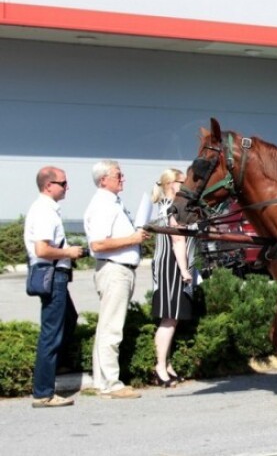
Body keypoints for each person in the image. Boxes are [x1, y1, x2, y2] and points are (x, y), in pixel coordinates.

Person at [84, 160, 150, 399]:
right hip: (114, 270)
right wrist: (133, 239)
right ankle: (111, 382)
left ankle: (102, 381)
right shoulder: (103, 205)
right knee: (112, 328)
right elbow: (98, 243)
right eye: (118, 175)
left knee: (107, 326)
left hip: (119, 269)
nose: (122, 178)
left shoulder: (112, 203)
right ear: (103, 180)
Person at [24, 167, 86, 408]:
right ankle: (43, 392)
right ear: (48, 185)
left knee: (69, 319)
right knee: (51, 332)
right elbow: (42, 250)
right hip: (52, 274)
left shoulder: (47, 209)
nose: (67, 187)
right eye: (63, 183)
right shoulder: (44, 211)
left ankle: (57, 366)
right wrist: (68, 252)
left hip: (55, 274)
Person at [151, 169, 194, 387]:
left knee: (171, 318)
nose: (186, 186)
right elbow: (178, 242)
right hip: (172, 265)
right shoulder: (173, 208)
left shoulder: (164, 206)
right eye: (182, 182)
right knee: (169, 318)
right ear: (171, 183)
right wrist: (185, 271)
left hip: (164, 264)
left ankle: (166, 365)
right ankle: (159, 367)